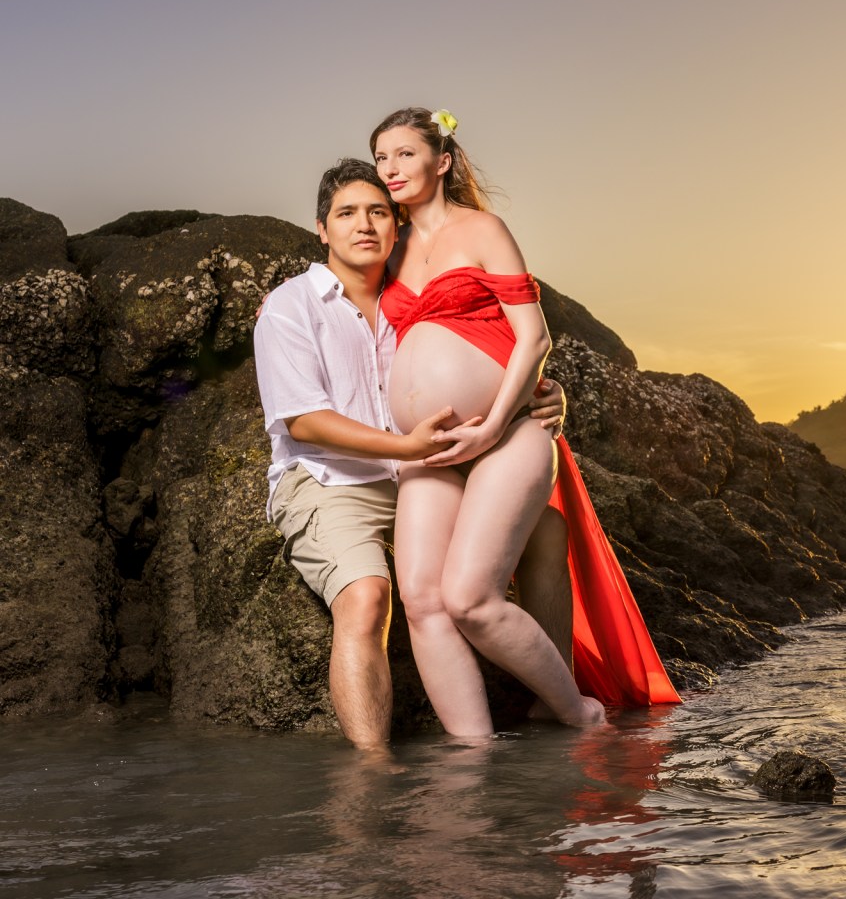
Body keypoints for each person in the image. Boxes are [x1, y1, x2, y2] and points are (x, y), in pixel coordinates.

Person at [372, 106, 679, 737]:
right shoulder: (390, 247)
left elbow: (533, 338)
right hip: (425, 448)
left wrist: (492, 426)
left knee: (469, 600)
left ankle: (578, 714)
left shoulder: (482, 229)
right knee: (424, 605)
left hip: (507, 436)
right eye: (381, 158)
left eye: (404, 153)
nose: (391, 169)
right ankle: (472, 766)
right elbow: (338, 285)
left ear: (443, 160)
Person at [253, 158, 570, 748]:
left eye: (378, 212)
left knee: (547, 530)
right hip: (333, 479)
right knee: (369, 597)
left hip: (419, 472)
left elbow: (499, 338)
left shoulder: (408, 300)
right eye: (346, 214)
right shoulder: (291, 306)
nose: (364, 225)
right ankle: (371, 769)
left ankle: (557, 701)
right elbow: (304, 419)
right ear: (322, 228)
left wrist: (541, 389)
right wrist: (407, 446)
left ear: (397, 225)